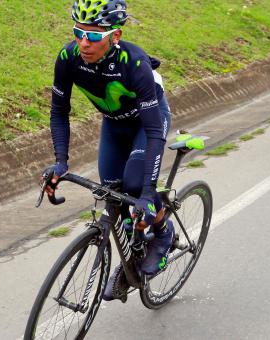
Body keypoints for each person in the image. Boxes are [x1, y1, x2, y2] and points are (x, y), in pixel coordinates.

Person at [41, 0, 174, 300]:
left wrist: (148, 192)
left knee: (135, 185)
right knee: (111, 192)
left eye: (94, 36)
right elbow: (58, 111)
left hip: (147, 124)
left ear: (114, 36)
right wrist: (60, 162)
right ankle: (133, 256)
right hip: (114, 125)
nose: (84, 43)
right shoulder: (68, 57)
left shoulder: (134, 63)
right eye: (78, 32)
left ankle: (164, 234)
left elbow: (154, 133)